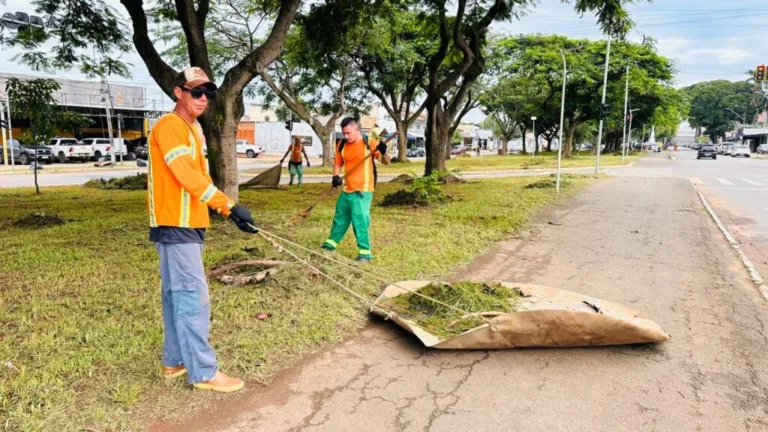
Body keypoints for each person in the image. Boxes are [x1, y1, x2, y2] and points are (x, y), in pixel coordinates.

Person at [148, 66, 257, 393]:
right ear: (178, 92)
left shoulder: (190, 129)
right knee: (193, 299)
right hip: (177, 225)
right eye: (196, 92)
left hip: (184, 225)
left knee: (175, 297)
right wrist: (228, 204)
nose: (203, 99)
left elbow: (199, 179)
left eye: (207, 93)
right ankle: (204, 372)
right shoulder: (171, 127)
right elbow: (187, 175)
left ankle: (174, 361)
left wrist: (227, 212)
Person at [322, 117, 390, 262]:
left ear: (357, 129)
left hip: (363, 190)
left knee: (360, 220)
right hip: (347, 189)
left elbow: (386, 162)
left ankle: (365, 253)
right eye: (344, 133)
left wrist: (383, 152)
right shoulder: (341, 144)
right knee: (340, 217)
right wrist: (335, 177)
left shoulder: (369, 142)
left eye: (348, 133)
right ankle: (330, 244)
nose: (346, 136)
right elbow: (338, 163)